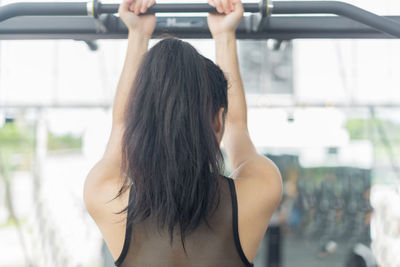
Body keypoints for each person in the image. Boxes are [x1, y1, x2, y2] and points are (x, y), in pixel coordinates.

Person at [83, 0, 283, 266]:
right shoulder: (259, 189)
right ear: (217, 121)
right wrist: (224, 34)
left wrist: (138, 34)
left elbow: (121, 125)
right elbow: (237, 127)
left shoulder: (107, 197)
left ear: (140, 121)